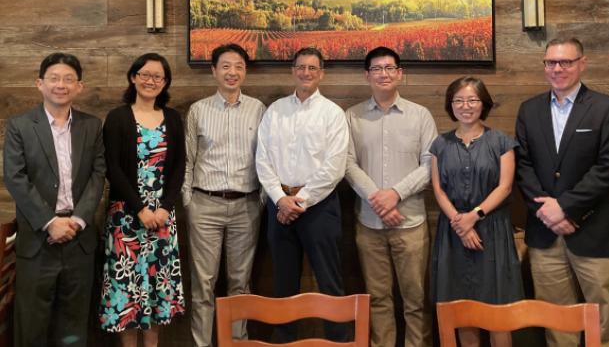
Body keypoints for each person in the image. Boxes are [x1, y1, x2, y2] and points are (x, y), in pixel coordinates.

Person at [516, 37, 609, 347]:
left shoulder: (607, 109)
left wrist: (564, 208)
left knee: (607, 322)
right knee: (555, 321)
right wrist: (548, 213)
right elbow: (523, 167)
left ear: (582, 63)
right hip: (545, 235)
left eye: (565, 62)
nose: (557, 68)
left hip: (596, 232)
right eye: (551, 62)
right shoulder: (529, 110)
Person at [3, 53, 106, 346]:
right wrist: (49, 222)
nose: (61, 85)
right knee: (31, 325)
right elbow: (16, 178)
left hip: (79, 238)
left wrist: (76, 220)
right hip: (37, 241)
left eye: (68, 79)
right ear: (40, 83)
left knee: (73, 326)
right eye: (54, 78)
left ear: (79, 86)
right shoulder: (20, 126)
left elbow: (98, 175)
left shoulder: (91, 126)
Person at [255, 47, 349, 342]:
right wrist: (280, 199)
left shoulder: (332, 113)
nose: (306, 73)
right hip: (278, 205)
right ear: (292, 70)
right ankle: (285, 340)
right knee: (283, 282)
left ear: (321, 73)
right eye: (300, 67)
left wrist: (301, 201)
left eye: (312, 68)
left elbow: (335, 166)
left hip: (320, 208)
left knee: (330, 281)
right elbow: (262, 159)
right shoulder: (276, 110)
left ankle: (339, 340)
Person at [345, 46, 437, 347]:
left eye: (389, 68)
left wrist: (395, 194)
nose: (383, 74)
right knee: (378, 299)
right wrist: (378, 199)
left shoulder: (420, 115)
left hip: (410, 224)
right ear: (366, 75)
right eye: (376, 69)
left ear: (400, 73)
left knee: (416, 300)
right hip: (368, 225)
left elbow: (430, 165)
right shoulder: (352, 116)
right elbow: (347, 163)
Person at [98, 53, 185, 347]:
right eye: (144, 74)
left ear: (165, 82)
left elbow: (179, 168)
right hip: (127, 219)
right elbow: (113, 167)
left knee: (157, 295)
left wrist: (164, 209)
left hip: (162, 219)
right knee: (128, 295)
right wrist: (141, 209)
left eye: (158, 76)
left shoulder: (172, 118)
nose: (150, 80)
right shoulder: (118, 117)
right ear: (133, 77)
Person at [182, 43, 265, 347]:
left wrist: (261, 200)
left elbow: (266, 158)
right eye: (226, 66)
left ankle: (236, 342)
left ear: (245, 71)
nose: (233, 72)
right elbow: (188, 161)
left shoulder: (259, 109)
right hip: (205, 205)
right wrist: (190, 203)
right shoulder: (199, 110)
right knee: (203, 284)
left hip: (246, 205)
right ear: (214, 70)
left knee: (240, 283)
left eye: (239, 66)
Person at [430, 76, 523, 347]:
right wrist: (460, 223)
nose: (465, 106)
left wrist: (474, 216)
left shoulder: (502, 142)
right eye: (458, 100)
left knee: (498, 308)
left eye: (472, 100)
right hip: (454, 232)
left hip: (492, 231)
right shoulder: (440, 144)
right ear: (450, 105)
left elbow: (505, 188)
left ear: (484, 104)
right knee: (462, 308)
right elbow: (438, 190)